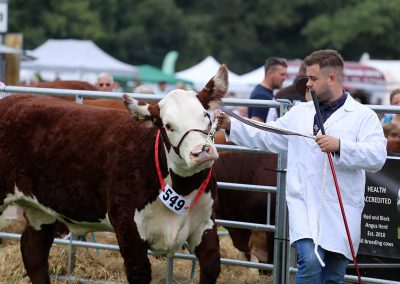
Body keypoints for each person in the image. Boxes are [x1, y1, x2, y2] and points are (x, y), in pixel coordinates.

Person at [215, 49, 387, 283]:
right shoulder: (299, 113)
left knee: (334, 275)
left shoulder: (362, 116)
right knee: (310, 261)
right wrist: (232, 124)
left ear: (332, 79)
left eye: (313, 79)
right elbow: (268, 135)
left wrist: (341, 146)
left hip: (341, 208)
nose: (308, 84)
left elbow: (377, 157)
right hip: (304, 205)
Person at [247, 57, 288, 122]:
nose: (285, 78)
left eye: (286, 75)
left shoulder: (264, 93)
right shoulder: (261, 96)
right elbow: (256, 126)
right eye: (282, 74)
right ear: (270, 73)